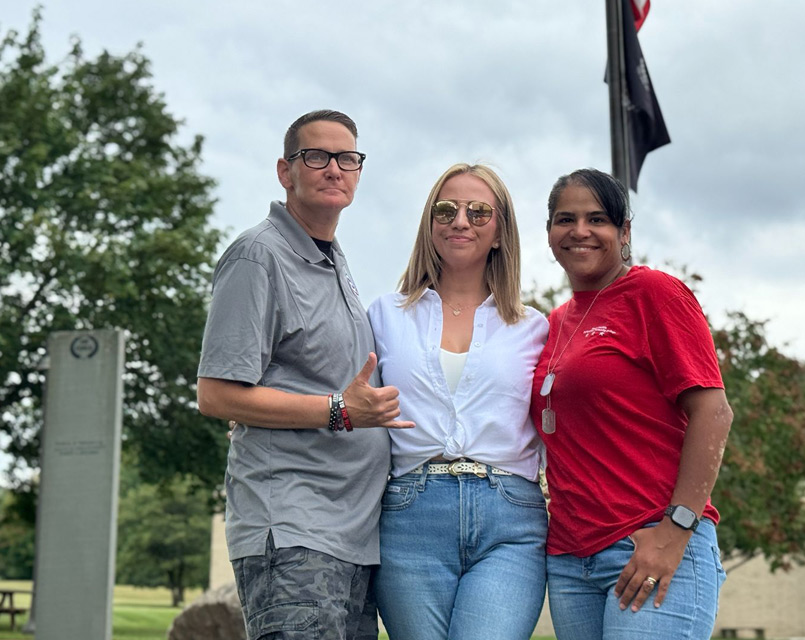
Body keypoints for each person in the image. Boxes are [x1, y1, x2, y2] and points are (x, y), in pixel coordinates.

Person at [196, 109, 413, 640]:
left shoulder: (334, 261)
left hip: (352, 537)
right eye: (315, 156)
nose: (333, 168)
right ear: (284, 170)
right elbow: (216, 394)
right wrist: (338, 410)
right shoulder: (258, 256)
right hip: (295, 530)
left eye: (347, 158)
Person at [530, 168, 733, 640]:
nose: (580, 231)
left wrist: (675, 530)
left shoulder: (654, 293)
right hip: (569, 562)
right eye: (566, 219)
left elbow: (714, 412)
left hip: (649, 542)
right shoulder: (555, 322)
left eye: (597, 219)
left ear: (623, 233)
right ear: (549, 233)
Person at [367, 163, 549, 640]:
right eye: (446, 209)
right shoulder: (385, 314)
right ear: (430, 225)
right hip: (409, 515)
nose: (461, 221)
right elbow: (348, 393)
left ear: (501, 231)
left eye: (479, 210)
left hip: (509, 518)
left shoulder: (535, 328)